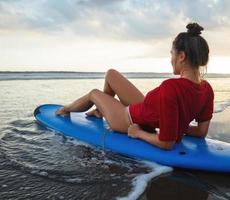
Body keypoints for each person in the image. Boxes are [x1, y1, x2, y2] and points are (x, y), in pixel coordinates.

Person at [56, 22, 214, 150]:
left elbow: (167, 143)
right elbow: (201, 132)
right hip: (149, 111)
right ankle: (99, 111)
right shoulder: (207, 89)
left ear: (181, 56)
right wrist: (176, 126)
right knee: (111, 74)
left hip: (127, 119)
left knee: (94, 94)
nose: (170, 59)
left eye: (171, 54)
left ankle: (65, 109)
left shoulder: (170, 87)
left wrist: (139, 133)